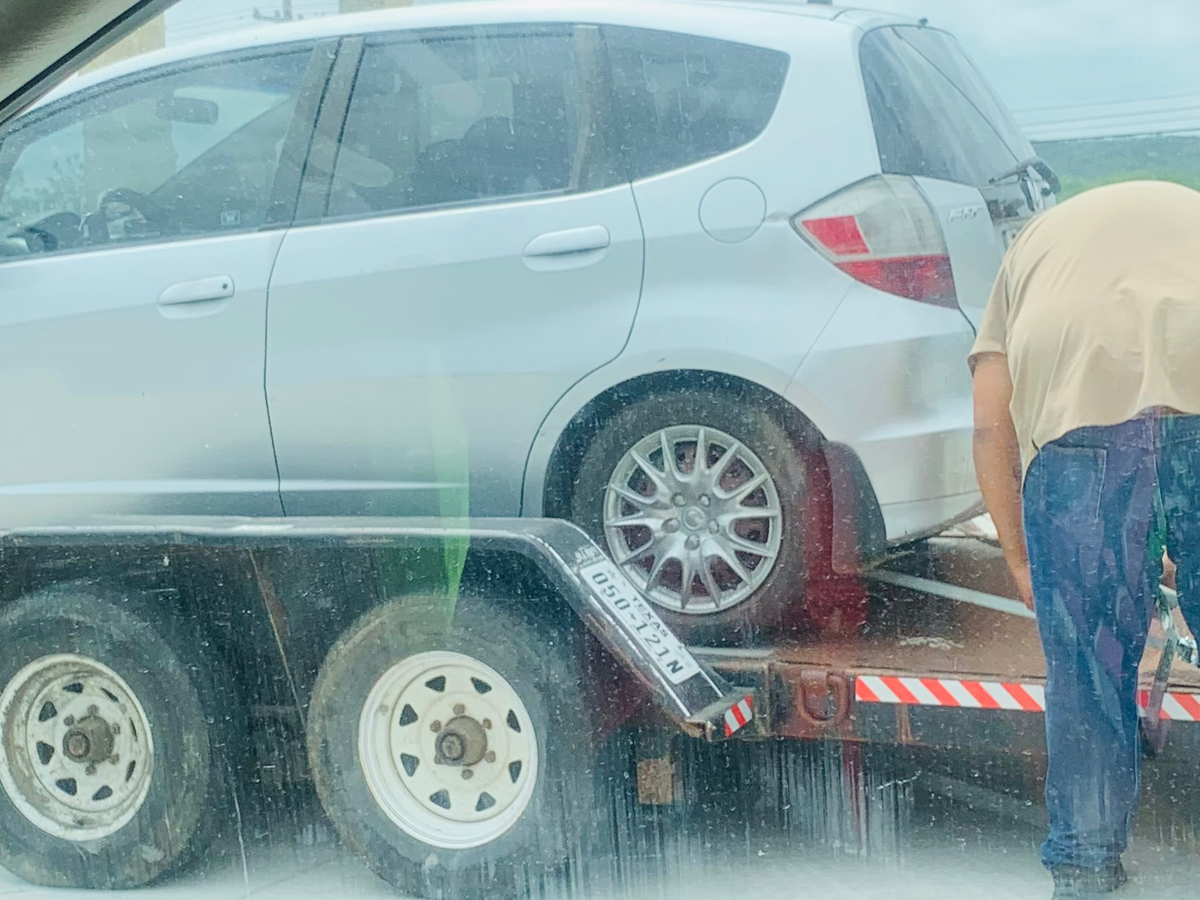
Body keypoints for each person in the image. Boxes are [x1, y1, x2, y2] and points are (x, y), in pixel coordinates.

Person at [970, 180, 1200, 898]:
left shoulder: (1028, 254)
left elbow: (989, 426)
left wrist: (1016, 555)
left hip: (1082, 435)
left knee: (1090, 667)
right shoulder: (1188, 213)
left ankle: (1086, 865)